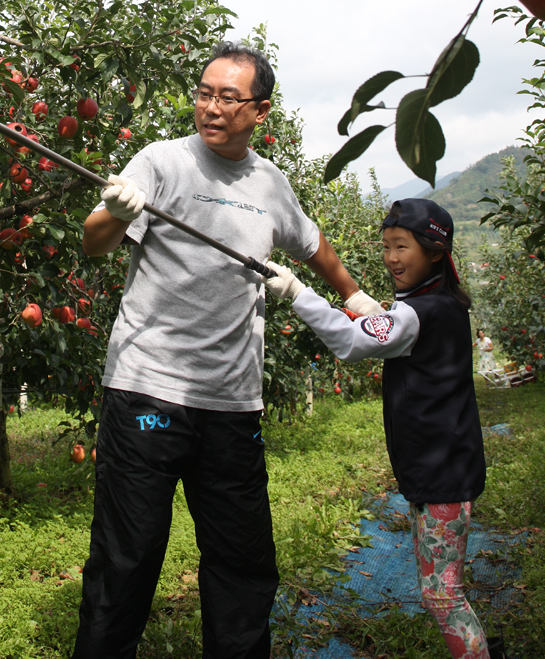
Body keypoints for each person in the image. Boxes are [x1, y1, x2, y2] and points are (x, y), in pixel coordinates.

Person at [72, 40, 383, 659]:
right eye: (204, 93)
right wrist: (112, 209)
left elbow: (310, 241)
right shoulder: (160, 162)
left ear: (260, 111)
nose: (211, 108)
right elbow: (93, 242)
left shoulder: (269, 182)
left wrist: (354, 296)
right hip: (146, 388)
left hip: (233, 401)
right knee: (125, 558)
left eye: (228, 98)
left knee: (242, 562)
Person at [263, 198, 506, 659]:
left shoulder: (418, 313)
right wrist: (361, 303)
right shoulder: (435, 303)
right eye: (387, 246)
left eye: (403, 247)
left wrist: (298, 293)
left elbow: (355, 343)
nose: (392, 258)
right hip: (445, 465)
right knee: (441, 586)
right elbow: (388, 325)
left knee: (442, 595)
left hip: (442, 475)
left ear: (435, 252)